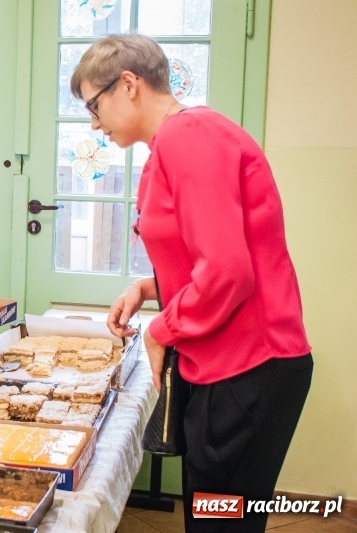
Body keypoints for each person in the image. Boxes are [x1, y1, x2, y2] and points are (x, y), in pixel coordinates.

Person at [71, 34, 313, 532]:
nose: (94, 123)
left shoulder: (189, 136)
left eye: (94, 105)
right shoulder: (172, 144)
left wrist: (161, 329)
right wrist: (148, 287)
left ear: (130, 85)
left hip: (248, 365)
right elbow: (209, 257)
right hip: (232, 364)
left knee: (220, 521)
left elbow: (228, 273)